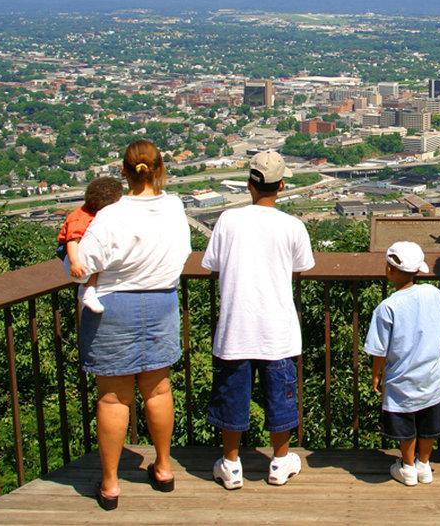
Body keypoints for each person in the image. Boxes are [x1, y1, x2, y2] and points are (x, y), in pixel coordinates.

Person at [75, 140, 191, 510]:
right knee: (157, 389)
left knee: (112, 397)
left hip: (115, 306)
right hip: (161, 301)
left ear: (123, 172)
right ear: (159, 170)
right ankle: (164, 467)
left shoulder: (111, 215)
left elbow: (85, 264)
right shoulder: (174, 207)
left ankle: (110, 484)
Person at [203, 150, 315, 490]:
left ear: (249, 185)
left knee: (231, 396)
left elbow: (213, 265)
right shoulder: (292, 226)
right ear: (281, 185)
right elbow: (302, 266)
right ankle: (279, 462)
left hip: (236, 324)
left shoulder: (228, 220)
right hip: (277, 327)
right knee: (281, 398)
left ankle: (231, 464)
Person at [364, 241, 440, 486]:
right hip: (432, 376)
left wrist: (376, 374)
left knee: (406, 421)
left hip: (401, 380)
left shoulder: (387, 308)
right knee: (429, 419)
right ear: (419, 270)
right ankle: (424, 464)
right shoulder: (431, 292)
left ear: (389, 270)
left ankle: (407, 466)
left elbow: (379, 350)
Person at [59, 176, 124, 313]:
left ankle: (89, 290)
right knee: (95, 257)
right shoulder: (80, 218)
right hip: (68, 249)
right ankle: (88, 291)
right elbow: (72, 241)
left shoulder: (94, 213)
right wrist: (75, 262)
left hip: (78, 244)